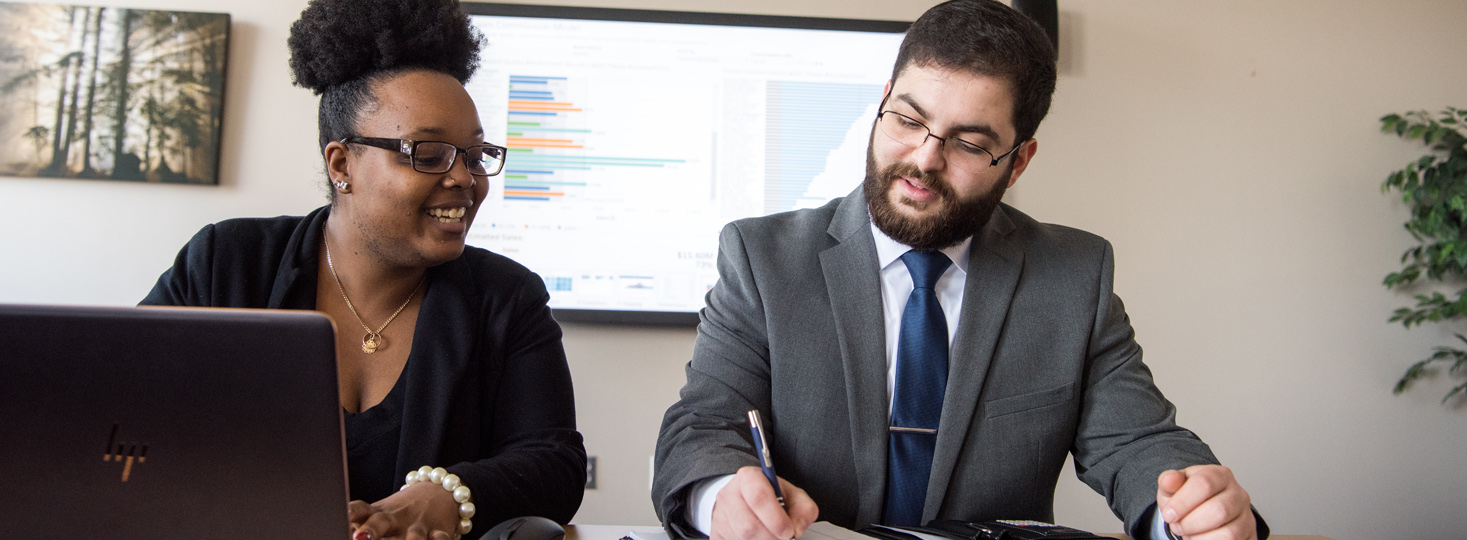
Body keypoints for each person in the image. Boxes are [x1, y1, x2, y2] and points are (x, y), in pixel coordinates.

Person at [651, 2, 1268, 540]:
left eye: (969, 144)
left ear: (1018, 160)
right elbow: (702, 426)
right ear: (882, 103)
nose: (924, 159)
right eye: (907, 119)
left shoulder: (1073, 277)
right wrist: (718, 498)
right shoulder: (763, 260)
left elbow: (1136, 443)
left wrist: (1192, 511)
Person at [141, 0, 585, 538]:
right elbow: (119, 417)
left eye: (474, 154)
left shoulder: (506, 298)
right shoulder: (225, 265)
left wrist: (447, 495)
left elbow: (554, 462)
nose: (465, 179)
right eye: (427, 153)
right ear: (342, 164)